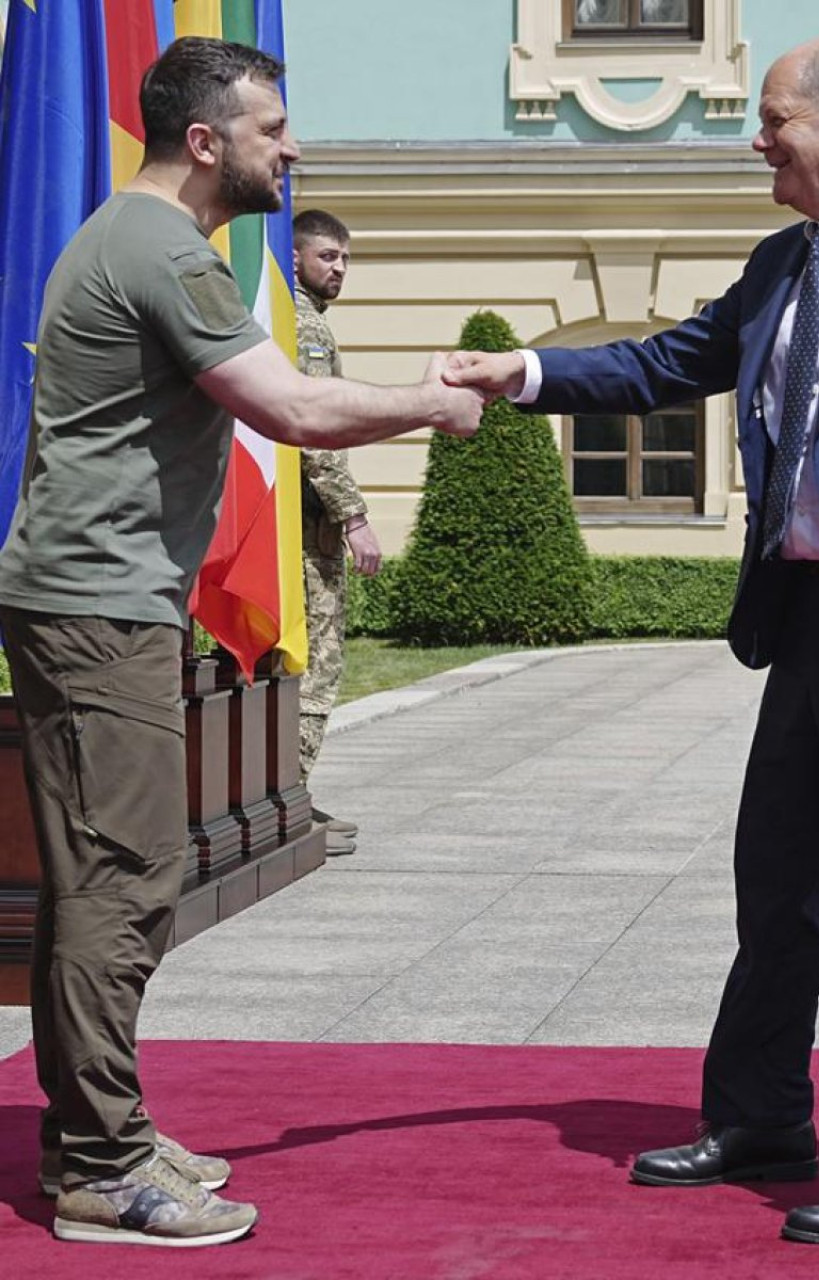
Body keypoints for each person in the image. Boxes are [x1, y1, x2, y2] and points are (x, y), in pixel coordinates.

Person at [447, 33, 819, 1247]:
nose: (757, 138)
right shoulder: (780, 262)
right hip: (802, 617)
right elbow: (669, 361)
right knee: (775, 885)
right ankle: (760, 1116)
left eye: (773, 119)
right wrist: (521, 369)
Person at [0, 37, 482, 1248]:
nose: (294, 148)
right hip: (97, 605)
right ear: (207, 141)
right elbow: (295, 409)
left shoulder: (131, 234)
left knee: (94, 880)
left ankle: (87, 1130)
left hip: (85, 596)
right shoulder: (161, 248)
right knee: (127, 876)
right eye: (274, 129)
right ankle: (104, 1169)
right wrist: (434, 402)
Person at [292, 208, 376, 856]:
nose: (339, 269)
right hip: (307, 534)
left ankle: (286, 800)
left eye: (344, 258)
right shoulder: (306, 327)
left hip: (293, 530)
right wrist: (354, 517)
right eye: (327, 257)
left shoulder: (302, 318)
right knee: (316, 669)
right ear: (296, 258)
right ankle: (290, 805)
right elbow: (316, 432)